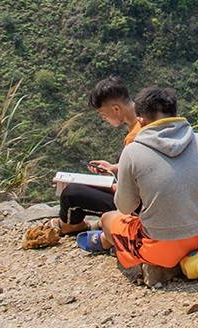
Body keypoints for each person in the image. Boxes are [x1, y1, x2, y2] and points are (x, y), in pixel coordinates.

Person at [98, 86, 198, 285]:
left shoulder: (133, 151)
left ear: (141, 120)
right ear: (175, 114)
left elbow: (124, 207)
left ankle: (153, 263)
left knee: (108, 219)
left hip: (160, 247)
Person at [57, 76, 138, 236]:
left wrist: (101, 185)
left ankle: (73, 227)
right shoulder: (146, 118)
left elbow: (131, 193)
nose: (103, 118)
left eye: (103, 114)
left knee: (70, 193)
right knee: (118, 159)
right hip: (153, 199)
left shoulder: (135, 139)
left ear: (116, 109)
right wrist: (113, 168)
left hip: (137, 207)